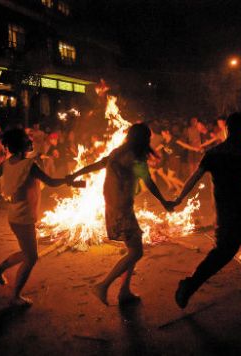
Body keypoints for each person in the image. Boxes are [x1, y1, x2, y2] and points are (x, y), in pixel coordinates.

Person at [170, 112, 241, 314]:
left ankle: (189, 286)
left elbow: (194, 178)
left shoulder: (213, 154)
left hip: (227, 215)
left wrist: (178, 199)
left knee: (221, 255)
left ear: (226, 128)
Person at [0, 129, 75, 307]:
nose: (31, 143)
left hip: (15, 215)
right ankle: (15, 296)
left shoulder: (6, 164)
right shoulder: (30, 165)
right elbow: (51, 182)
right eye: (27, 141)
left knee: (27, 252)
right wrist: (70, 179)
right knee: (31, 257)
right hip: (24, 216)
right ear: (22, 145)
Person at [69, 123, 174, 305]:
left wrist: (76, 173)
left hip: (116, 206)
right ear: (142, 139)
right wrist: (165, 202)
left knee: (133, 249)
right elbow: (149, 182)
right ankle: (103, 285)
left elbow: (98, 165)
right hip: (121, 209)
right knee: (136, 252)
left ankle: (124, 291)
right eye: (147, 138)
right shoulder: (135, 157)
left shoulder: (117, 152)